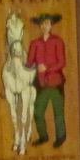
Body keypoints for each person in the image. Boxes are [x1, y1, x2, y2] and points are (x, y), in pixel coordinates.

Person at [28, 11, 66, 147]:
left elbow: (62, 62)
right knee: (38, 112)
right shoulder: (34, 43)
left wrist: (47, 68)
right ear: (40, 26)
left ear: (51, 25)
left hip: (56, 83)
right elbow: (29, 63)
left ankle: (61, 138)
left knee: (58, 113)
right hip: (41, 84)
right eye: (42, 24)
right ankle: (43, 137)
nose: (45, 26)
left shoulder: (58, 41)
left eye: (47, 23)